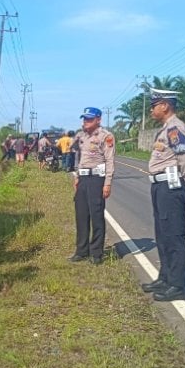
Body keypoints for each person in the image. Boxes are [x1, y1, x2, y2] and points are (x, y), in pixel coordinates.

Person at [140, 89, 185, 301]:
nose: (152, 109)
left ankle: (177, 285)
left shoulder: (175, 128)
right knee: (162, 234)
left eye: (155, 104)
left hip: (171, 186)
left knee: (174, 235)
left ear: (165, 105)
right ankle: (165, 277)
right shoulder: (165, 129)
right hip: (160, 186)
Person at [68, 107, 115, 265]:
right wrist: (77, 176)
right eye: (84, 119)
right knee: (81, 215)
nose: (85, 122)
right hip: (83, 178)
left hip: (97, 179)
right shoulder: (81, 136)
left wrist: (107, 183)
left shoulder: (106, 136)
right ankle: (81, 250)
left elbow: (109, 161)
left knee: (96, 215)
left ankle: (96, 253)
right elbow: (78, 156)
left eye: (89, 119)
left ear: (98, 120)